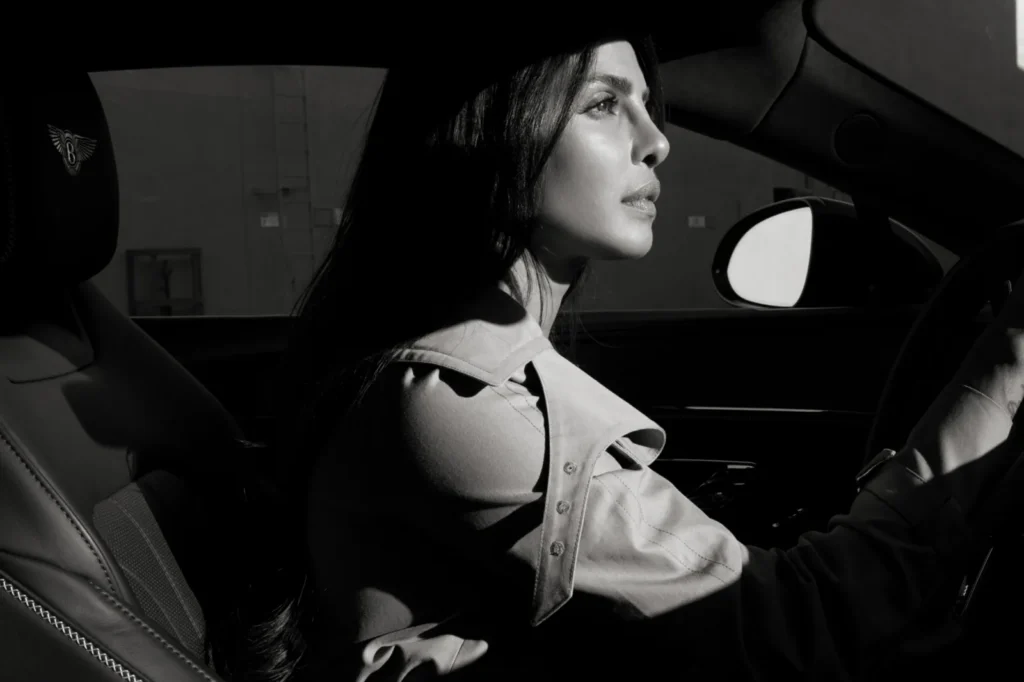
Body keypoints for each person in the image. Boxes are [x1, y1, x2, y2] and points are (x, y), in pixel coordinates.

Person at [210, 30, 1024, 682]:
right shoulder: (458, 401)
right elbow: (800, 629)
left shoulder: (446, 371)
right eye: (604, 104)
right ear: (490, 133)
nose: (657, 141)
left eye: (644, 104)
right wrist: (1004, 375)